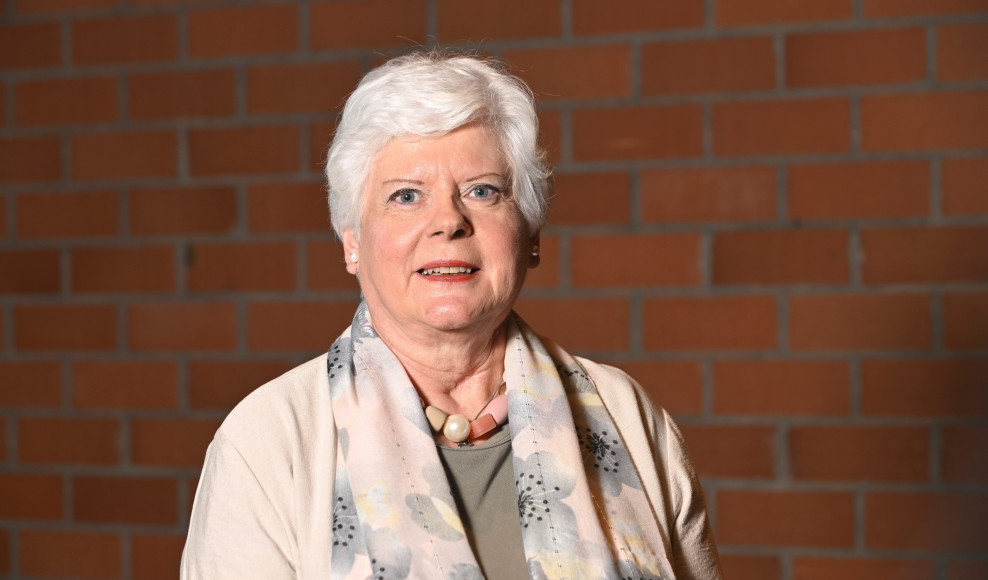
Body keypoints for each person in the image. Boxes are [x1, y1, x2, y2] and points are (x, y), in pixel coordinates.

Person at [181, 51, 723, 580]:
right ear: (352, 242)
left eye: (482, 191)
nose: (448, 221)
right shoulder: (269, 442)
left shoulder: (628, 417)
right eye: (406, 196)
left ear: (530, 235)